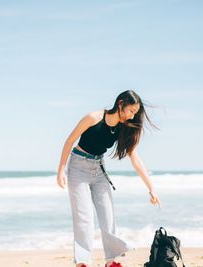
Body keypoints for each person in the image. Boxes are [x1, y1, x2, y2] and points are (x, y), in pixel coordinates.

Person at [56, 90, 162, 267]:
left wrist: (151, 187)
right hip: (78, 168)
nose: (131, 116)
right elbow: (70, 140)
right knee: (84, 217)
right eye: (130, 111)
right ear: (120, 104)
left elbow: (135, 158)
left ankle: (111, 261)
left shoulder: (122, 127)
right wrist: (60, 170)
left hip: (99, 170)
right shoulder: (93, 117)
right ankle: (82, 262)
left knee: (108, 215)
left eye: (135, 113)